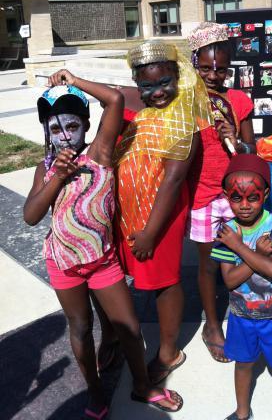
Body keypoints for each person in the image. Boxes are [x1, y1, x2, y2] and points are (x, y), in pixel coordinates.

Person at [23, 71, 184, 417]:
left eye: (72, 125)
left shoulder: (99, 153)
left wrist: (73, 79)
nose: (65, 136)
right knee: (80, 328)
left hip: (101, 261)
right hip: (64, 263)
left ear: (85, 123)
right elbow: (31, 216)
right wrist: (57, 178)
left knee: (129, 326)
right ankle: (95, 394)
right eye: (55, 130)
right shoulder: (45, 168)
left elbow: (115, 99)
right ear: (46, 135)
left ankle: (142, 384)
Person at [112, 41, 212, 386]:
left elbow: (173, 179)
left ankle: (170, 351)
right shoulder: (137, 108)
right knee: (127, 277)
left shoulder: (184, 116)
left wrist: (152, 231)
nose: (157, 93)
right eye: (147, 86)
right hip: (130, 212)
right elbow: (113, 97)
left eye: (165, 82)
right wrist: (73, 81)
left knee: (164, 282)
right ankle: (115, 337)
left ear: (178, 75)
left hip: (160, 217)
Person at [210, 154, 272, 420]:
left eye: (252, 198)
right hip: (242, 317)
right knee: (243, 366)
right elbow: (229, 281)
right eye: (236, 198)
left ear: (265, 194)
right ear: (225, 195)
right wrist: (257, 255)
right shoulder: (227, 231)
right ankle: (242, 413)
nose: (244, 206)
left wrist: (240, 248)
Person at [188, 22, 256, 363]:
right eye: (205, 69)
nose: (214, 76)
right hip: (202, 197)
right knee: (208, 265)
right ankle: (212, 326)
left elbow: (251, 152)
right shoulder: (186, 101)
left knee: (242, 255)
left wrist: (237, 139)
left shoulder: (240, 100)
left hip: (233, 195)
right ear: (194, 63)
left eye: (221, 70)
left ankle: (251, 313)